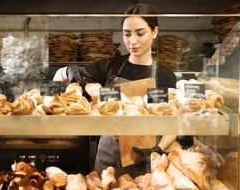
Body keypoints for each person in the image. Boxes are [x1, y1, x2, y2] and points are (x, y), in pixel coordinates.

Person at [53, 2, 177, 178]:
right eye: (127, 34)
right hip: (107, 159)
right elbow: (60, 76)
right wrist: (68, 71)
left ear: (155, 32)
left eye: (140, 33)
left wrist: (157, 149)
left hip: (145, 158)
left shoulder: (165, 76)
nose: (132, 41)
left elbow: (173, 125)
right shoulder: (110, 67)